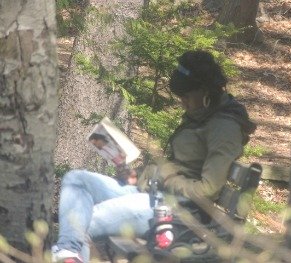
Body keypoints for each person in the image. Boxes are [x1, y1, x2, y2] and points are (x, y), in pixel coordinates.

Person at [51, 50, 256, 263]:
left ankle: (68, 255)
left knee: (79, 223)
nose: (183, 103)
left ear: (205, 92)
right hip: (157, 197)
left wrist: (164, 179)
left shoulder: (224, 128)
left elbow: (207, 190)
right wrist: (138, 176)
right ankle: (69, 254)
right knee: (76, 180)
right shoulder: (202, 116)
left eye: (186, 96)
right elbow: (180, 167)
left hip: (176, 212)